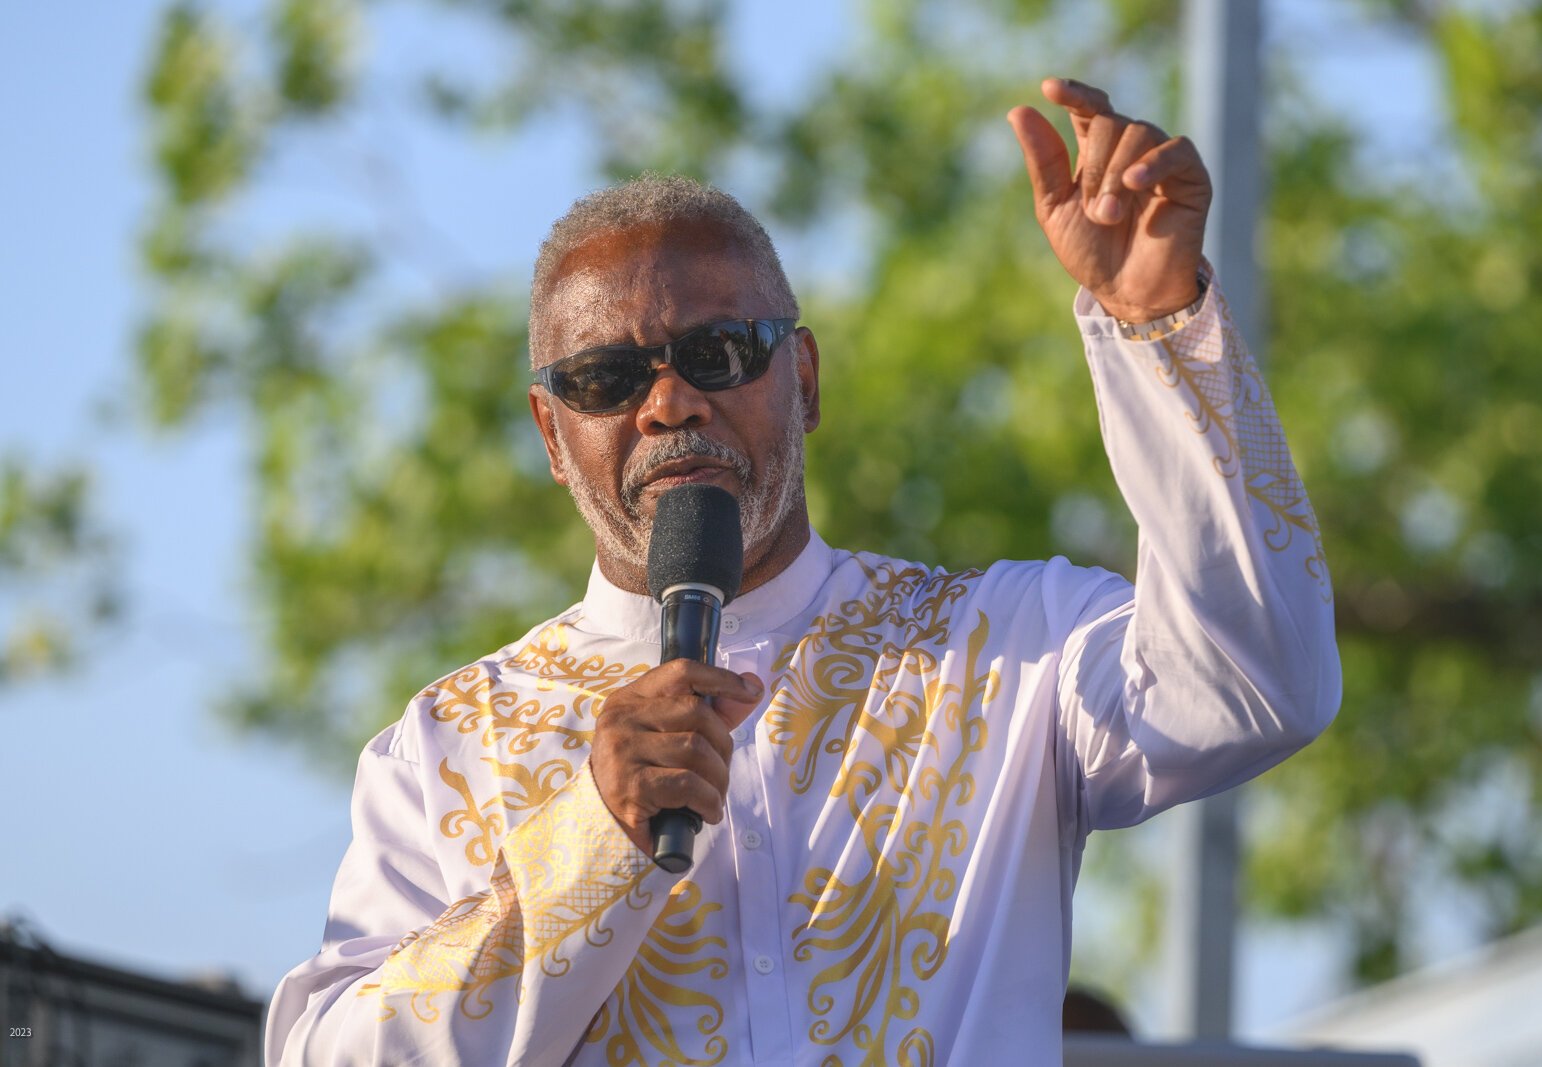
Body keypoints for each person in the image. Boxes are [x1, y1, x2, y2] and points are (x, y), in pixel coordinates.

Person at [265, 77, 1339, 1066]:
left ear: (806, 377)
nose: (669, 403)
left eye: (719, 351)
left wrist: (1158, 325)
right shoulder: (448, 746)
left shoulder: (1003, 648)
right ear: (551, 435)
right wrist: (591, 838)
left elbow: (1257, 681)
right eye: (604, 377)